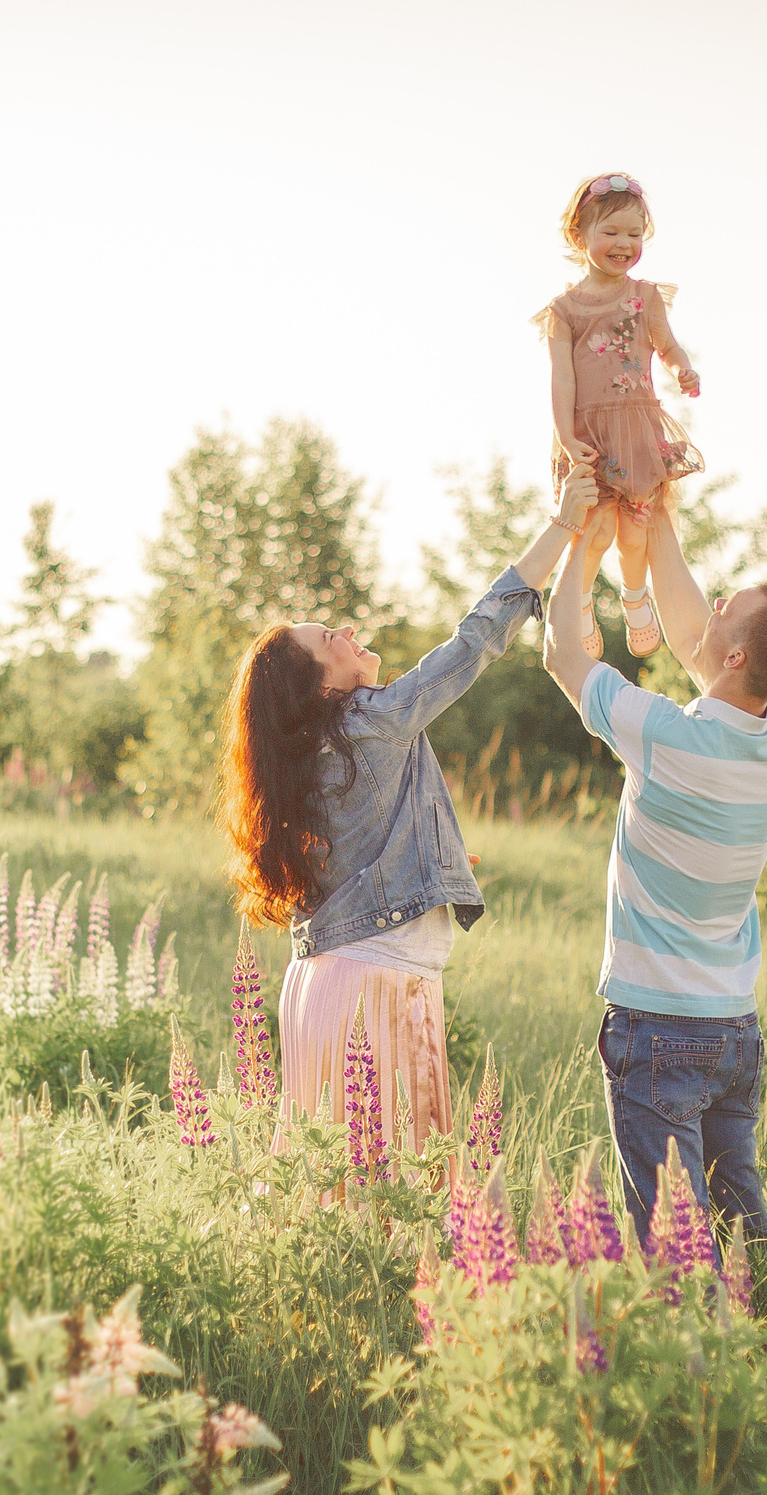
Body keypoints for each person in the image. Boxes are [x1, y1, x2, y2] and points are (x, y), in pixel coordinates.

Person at [217, 470, 603, 1165]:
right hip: (376, 982)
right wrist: (564, 524)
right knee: (397, 1188)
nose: (350, 630)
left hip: (331, 982)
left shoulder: (311, 753)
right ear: (322, 683)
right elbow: (475, 641)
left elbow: (364, 851)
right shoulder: (372, 720)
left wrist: (429, 859)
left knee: (340, 1192)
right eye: (331, 635)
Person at [541, 504, 767, 1261]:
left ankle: (698, 1373)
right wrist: (655, 511)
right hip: (732, 1029)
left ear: (736, 658)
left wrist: (581, 540)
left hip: (659, 1030)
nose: (715, 602)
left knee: (680, 1255)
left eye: (728, 605)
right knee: (743, 1233)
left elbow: (561, 654)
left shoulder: (669, 738)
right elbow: (702, 638)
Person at [533, 170, 704, 663]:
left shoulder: (645, 297)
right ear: (578, 235)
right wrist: (567, 436)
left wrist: (682, 367)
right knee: (596, 530)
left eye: (634, 234)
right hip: (588, 434)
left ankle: (635, 595)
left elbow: (666, 345)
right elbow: (561, 378)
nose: (623, 243)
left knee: (637, 528)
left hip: (637, 429)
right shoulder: (565, 310)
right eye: (610, 232)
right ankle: (581, 602)